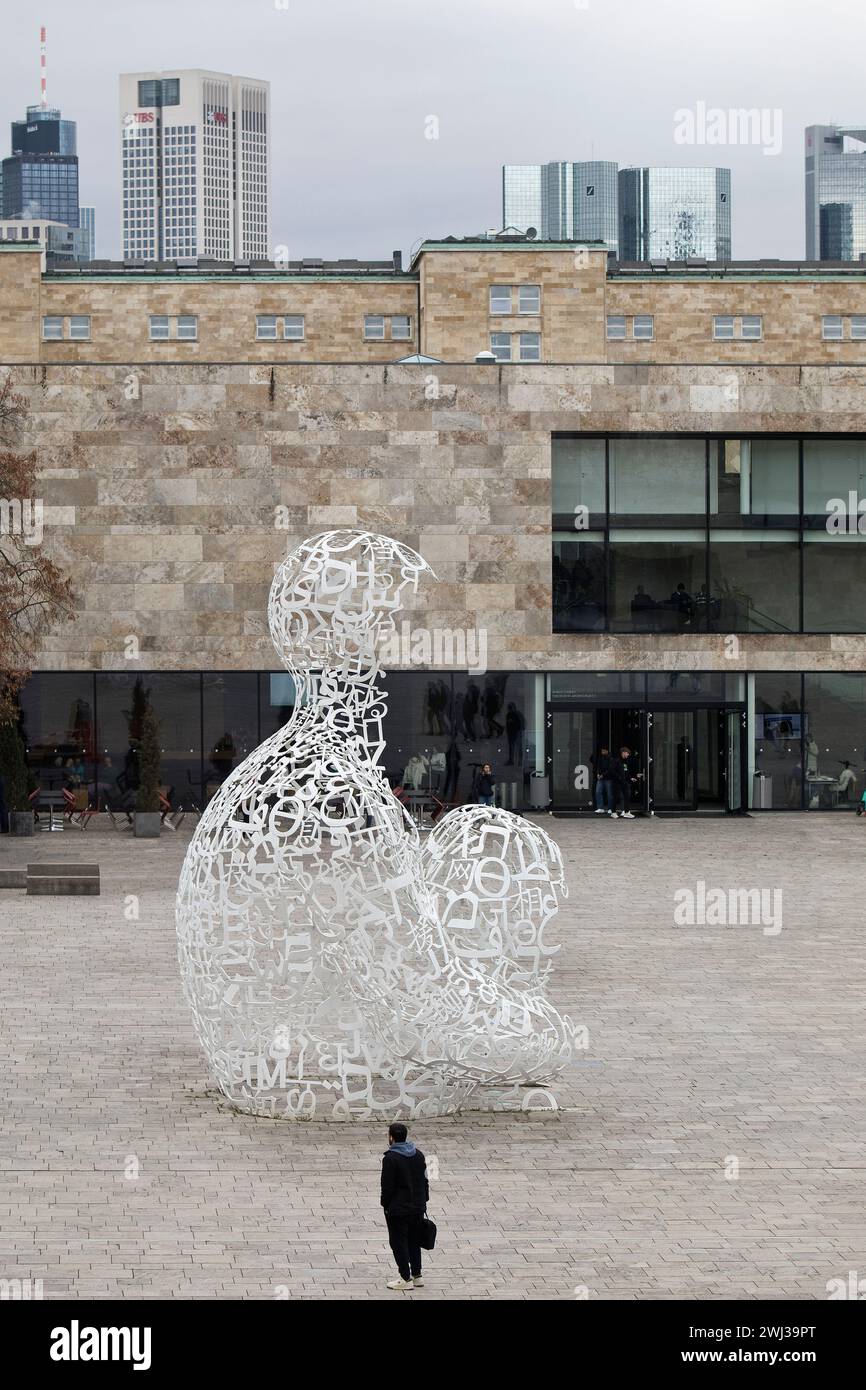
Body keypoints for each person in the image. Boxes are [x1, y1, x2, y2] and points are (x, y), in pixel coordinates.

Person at [381, 1122, 429, 1291]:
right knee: (414, 1241)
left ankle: (405, 1277)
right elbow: (425, 1181)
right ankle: (417, 1275)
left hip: (398, 1209)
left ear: (391, 1137)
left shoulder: (390, 1159)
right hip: (417, 1207)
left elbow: (387, 1187)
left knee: (398, 1242)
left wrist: (385, 1205)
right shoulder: (419, 1155)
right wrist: (424, 1201)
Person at [610, 745, 640, 818]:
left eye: (628, 754)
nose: (628, 755)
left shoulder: (625, 762)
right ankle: (613, 812)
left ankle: (627, 812)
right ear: (623, 753)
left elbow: (626, 772)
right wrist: (619, 777)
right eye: (627, 753)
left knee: (627, 796)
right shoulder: (616, 760)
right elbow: (611, 771)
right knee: (616, 797)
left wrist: (630, 778)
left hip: (624, 782)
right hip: (616, 782)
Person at [591, 745, 614, 814]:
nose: (602, 752)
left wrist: (602, 775)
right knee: (598, 792)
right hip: (600, 778)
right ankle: (600, 808)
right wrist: (598, 774)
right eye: (602, 751)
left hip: (608, 779)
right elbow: (598, 767)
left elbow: (610, 769)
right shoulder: (600, 758)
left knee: (610, 794)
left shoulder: (611, 759)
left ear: (607, 751)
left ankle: (610, 808)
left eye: (603, 751)